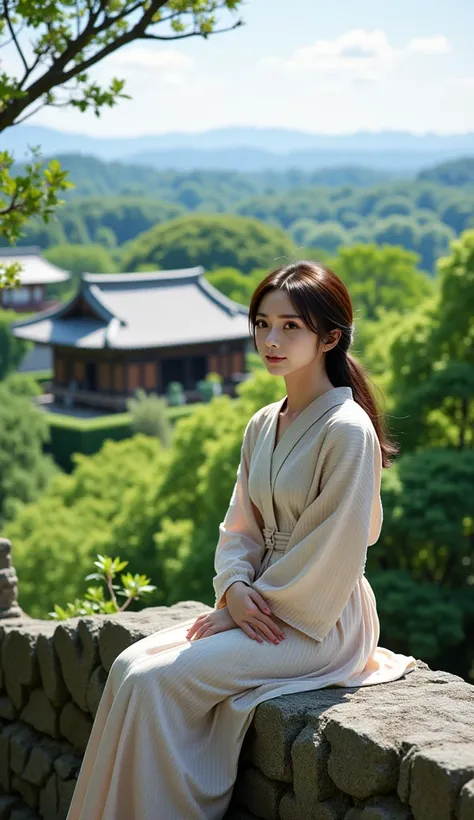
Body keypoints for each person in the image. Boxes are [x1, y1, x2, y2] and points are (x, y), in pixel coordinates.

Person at [66, 261, 416, 820]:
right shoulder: (262, 423)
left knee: (159, 681)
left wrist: (250, 605)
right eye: (262, 324)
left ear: (329, 336)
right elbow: (240, 527)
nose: (270, 340)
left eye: (290, 327)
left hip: (318, 617)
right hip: (257, 603)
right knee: (131, 666)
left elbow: (336, 551)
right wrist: (232, 588)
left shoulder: (348, 431)